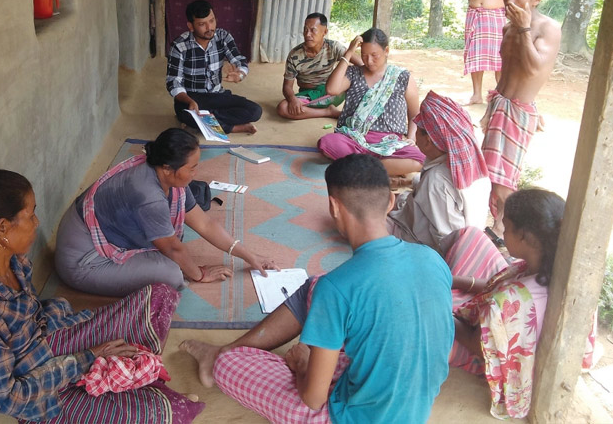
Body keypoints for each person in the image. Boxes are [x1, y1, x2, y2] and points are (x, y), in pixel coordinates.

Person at [180, 154, 453, 423]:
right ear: (391, 201)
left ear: (334, 207)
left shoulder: (336, 288)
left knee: (229, 363)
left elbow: (313, 399)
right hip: (415, 411)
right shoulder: (432, 259)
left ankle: (218, 358)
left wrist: (302, 364)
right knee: (320, 289)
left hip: (349, 417)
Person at [0, 170, 204, 423]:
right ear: (3, 228)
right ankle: (122, 384)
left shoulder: (11, 261)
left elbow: (34, 316)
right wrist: (87, 357)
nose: (36, 223)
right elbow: (8, 397)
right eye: (30, 215)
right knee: (164, 414)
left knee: (158, 298)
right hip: (39, 393)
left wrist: (81, 340)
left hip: (52, 342)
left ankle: (121, 378)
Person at [55, 128, 277, 297]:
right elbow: (172, 247)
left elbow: (205, 224)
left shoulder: (165, 176)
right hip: (84, 261)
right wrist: (199, 274)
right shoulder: (149, 195)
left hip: (89, 234)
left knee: (173, 249)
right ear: (168, 168)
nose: (196, 173)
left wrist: (249, 255)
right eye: (192, 168)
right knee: (172, 274)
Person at [444, 188, 596, 419]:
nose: (502, 232)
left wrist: (440, 313)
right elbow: (497, 283)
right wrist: (453, 280)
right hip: (504, 319)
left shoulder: (509, 301)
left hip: (492, 358)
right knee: (473, 236)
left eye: (506, 227)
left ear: (524, 236)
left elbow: (479, 346)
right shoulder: (553, 266)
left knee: (419, 326)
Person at [482, 0, 561, 237]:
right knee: (489, 173)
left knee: (504, 178)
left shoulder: (548, 29)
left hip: (518, 112)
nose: (509, 2)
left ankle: (503, 229)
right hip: (500, 106)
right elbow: (505, 70)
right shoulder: (507, 28)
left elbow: (533, 69)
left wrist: (525, 29)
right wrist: (490, 109)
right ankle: (499, 224)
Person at [388, 91, 491, 252]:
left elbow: (447, 240)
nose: (414, 135)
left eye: (417, 130)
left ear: (428, 141)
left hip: (422, 249)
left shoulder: (437, 180)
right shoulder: (473, 164)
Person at [317, 28, 426, 178]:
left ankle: (359, 165)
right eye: (364, 55)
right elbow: (332, 89)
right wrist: (348, 53)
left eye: (374, 55)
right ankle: (379, 167)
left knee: (419, 159)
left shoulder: (401, 77)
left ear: (386, 51)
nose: (368, 61)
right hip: (354, 138)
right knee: (327, 143)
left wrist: (411, 138)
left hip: (389, 142)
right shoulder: (354, 73)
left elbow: (415, 115)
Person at [167, 0, 262, 134]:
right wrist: (190, 101)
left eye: (212, 21)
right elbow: (173, 82)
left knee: (255, 111)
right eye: (202, 24)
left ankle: (204, 121)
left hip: (217, 95)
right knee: (187, 114)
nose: (209, 28)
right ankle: (232, 127)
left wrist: (240, 74)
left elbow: (238, 59)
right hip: (192, 98)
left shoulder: (223, 37)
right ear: (191, 26)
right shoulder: (179, 46)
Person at [276, 13, 363, 120]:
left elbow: (361, 65)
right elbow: (287, 87)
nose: (308, 34)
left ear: (325, 32)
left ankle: (357, 111)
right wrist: (293, 99)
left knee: (355, 73)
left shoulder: (333, 47)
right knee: (283, 107)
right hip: (309, 97)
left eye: (313, 30)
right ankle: (328, 112)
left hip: (333, 94)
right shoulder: (295, 55)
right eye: (305, 30)